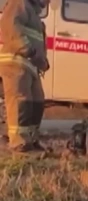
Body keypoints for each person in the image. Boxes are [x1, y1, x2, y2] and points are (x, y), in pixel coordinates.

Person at [0, 0, 50, 152]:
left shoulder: (34, 13)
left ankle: (31, 139)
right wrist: (28, 49)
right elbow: (9, 26)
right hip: (16, 61)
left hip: (31, 65)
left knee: (36, 102)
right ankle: (18, 142)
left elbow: (37, 41)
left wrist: (43, 61)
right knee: (20, 102)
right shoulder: (19, 3)